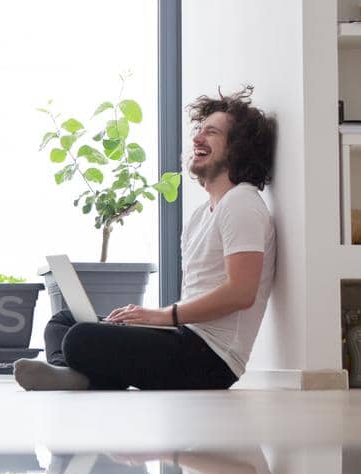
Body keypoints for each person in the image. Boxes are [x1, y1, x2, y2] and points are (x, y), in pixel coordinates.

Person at [14, 86, 278, 391]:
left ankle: (81, 375)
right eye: (199, 130)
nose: (197, 138)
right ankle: (74, 376)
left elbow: (241, 293)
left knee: (79, 338)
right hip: (185, 336)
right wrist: (149, 321)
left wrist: (164, 316)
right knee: (63, 321)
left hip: (212, 359)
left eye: (212, 132)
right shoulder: (200, 215)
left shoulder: (241, 202)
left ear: (236, 148)